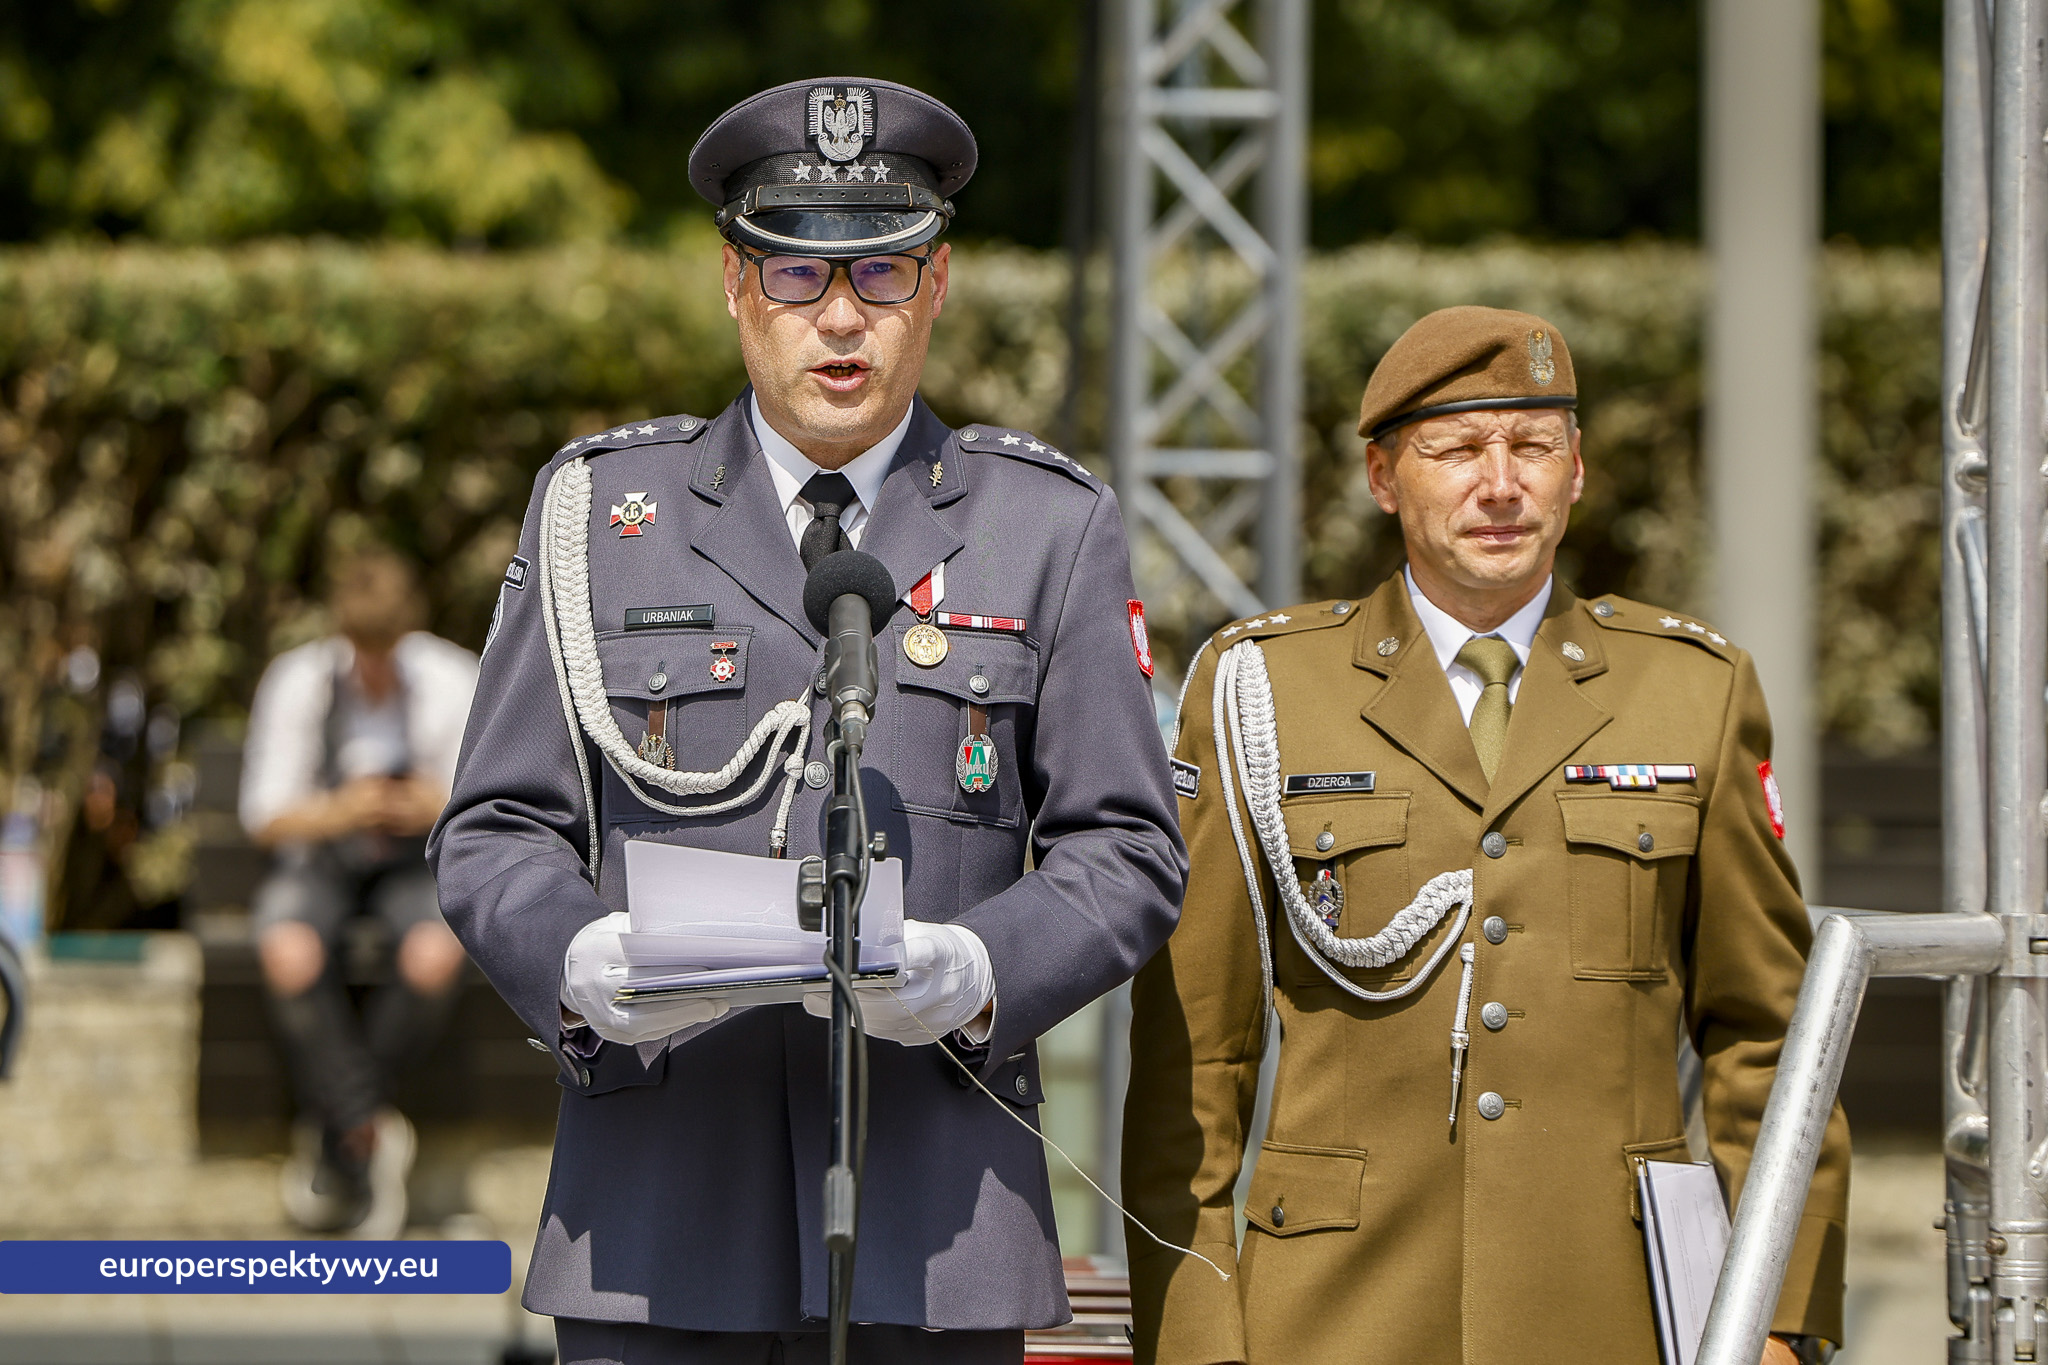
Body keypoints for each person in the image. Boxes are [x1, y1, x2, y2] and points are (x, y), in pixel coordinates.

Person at [428, 78, 1184, 1365]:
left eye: (882, 275)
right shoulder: (600, 517)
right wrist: (574, 964)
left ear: (936, 286)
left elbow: (1126, 845)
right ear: (733, 283)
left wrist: (981, 971)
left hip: (936, 1213)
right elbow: (493, 828)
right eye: (795, 277)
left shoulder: (1043, 527)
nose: (841, 320)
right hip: (660, 1207)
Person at [1120, 307, 1848, 1365]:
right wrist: (1193, 1339)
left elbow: (1768, 1037)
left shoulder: (1691, 690)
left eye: (1532, 447)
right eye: (1456, 449)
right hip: (1330, 1317)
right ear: (1382, 477)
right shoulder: (1261, 691)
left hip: (1613, 1313)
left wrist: (1781, 1320)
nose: (1499, 484)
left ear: (1576, 469)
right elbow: (1195, 1055)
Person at [240, 547, 479, 1237]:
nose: (373, 667)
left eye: (386, 650)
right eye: (361, 650)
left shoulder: (449, 677)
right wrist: (342, 810)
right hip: (322, 858)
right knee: (288, 948)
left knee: (436, 951)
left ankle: (339, 1131)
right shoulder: (297, 681)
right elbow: (266, 814)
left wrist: (423, 805)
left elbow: (476, 801)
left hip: (416, 861)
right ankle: (367, 1128)